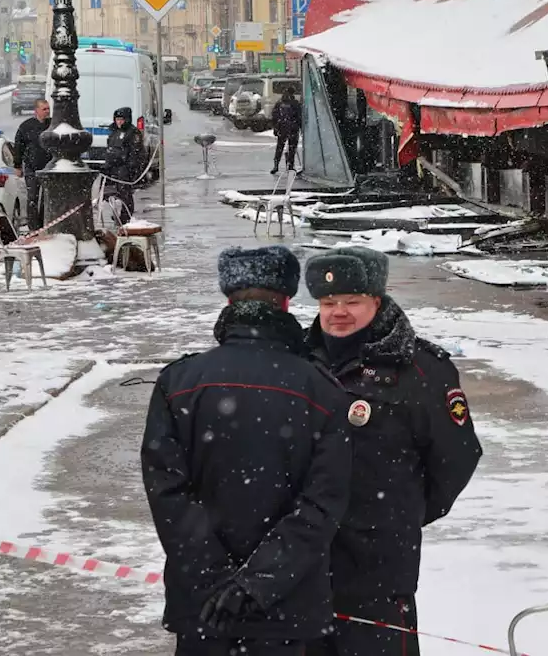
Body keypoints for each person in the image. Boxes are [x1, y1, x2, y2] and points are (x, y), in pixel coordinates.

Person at [142, 245, 353, 656]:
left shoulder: (180, 382)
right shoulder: (323, 390)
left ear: (228, 300)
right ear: (288, 301)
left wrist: (217, 578)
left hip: (204, 606)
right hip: (285, 607)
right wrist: (257, 583)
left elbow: (168, 494)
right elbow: (322, 505)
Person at [302, 247, 482, 656]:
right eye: (329, 303)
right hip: (304, 559)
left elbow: (456, 458)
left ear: (377, 302)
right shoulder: (297, 362)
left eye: (352, 301)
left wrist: (400, 514)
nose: (339, 312)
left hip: (378, 565)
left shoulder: (420, 369)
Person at [12, 98, 52, 231]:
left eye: (48, 108)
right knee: (32, 197)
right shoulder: (26, 126)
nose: (47, 111)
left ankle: (44, 224)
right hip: (32, 167)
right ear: (37, 111)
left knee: (47, 198)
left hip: (49, 168)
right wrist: (17, 165)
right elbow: (18, 147)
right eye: (44, 109)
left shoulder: (52, 125)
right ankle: (33, 227)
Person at [102, 106, 144, 224]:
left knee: (125, 193)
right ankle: (116, 214)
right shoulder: (114, 132)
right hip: (112, 167)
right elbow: (110, 147)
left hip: (124, 168)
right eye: (117, 119)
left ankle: (125, 217)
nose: (119, 122)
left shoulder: (133, 133)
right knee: (109, 192)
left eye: (121, 119)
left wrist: (131, 167)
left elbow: (136, 152)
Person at [271, 85, 302, 175]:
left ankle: (276, 165)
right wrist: (300, 127)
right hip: (293, 128)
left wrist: (275, 127)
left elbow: (274, 116)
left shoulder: (280, 103)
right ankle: (290, 165)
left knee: (279, 147)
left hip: (282, 128)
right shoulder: (295, 103)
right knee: (292, 148)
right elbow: (299, 116)